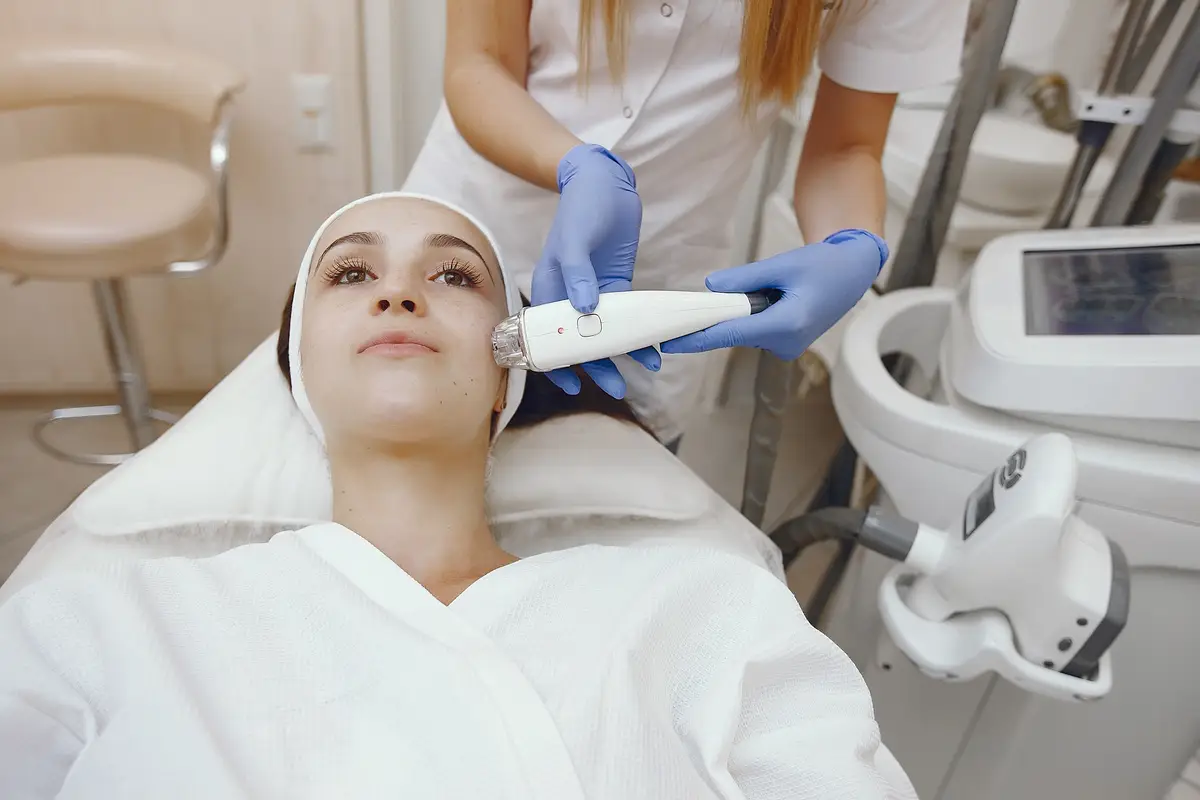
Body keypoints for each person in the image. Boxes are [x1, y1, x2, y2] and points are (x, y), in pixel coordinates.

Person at [0, 194, 912, 798]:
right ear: (299, 369)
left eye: (454, 276)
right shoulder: (105, 627)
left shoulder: (706, 609)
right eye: (351, 274)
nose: (397, 293)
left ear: (508, 373)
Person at [401, 0, 972, 447]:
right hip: (466, 225)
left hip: (653, 287)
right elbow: (481, 61)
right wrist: (574, 164)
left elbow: (847, 146)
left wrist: (852, 245)